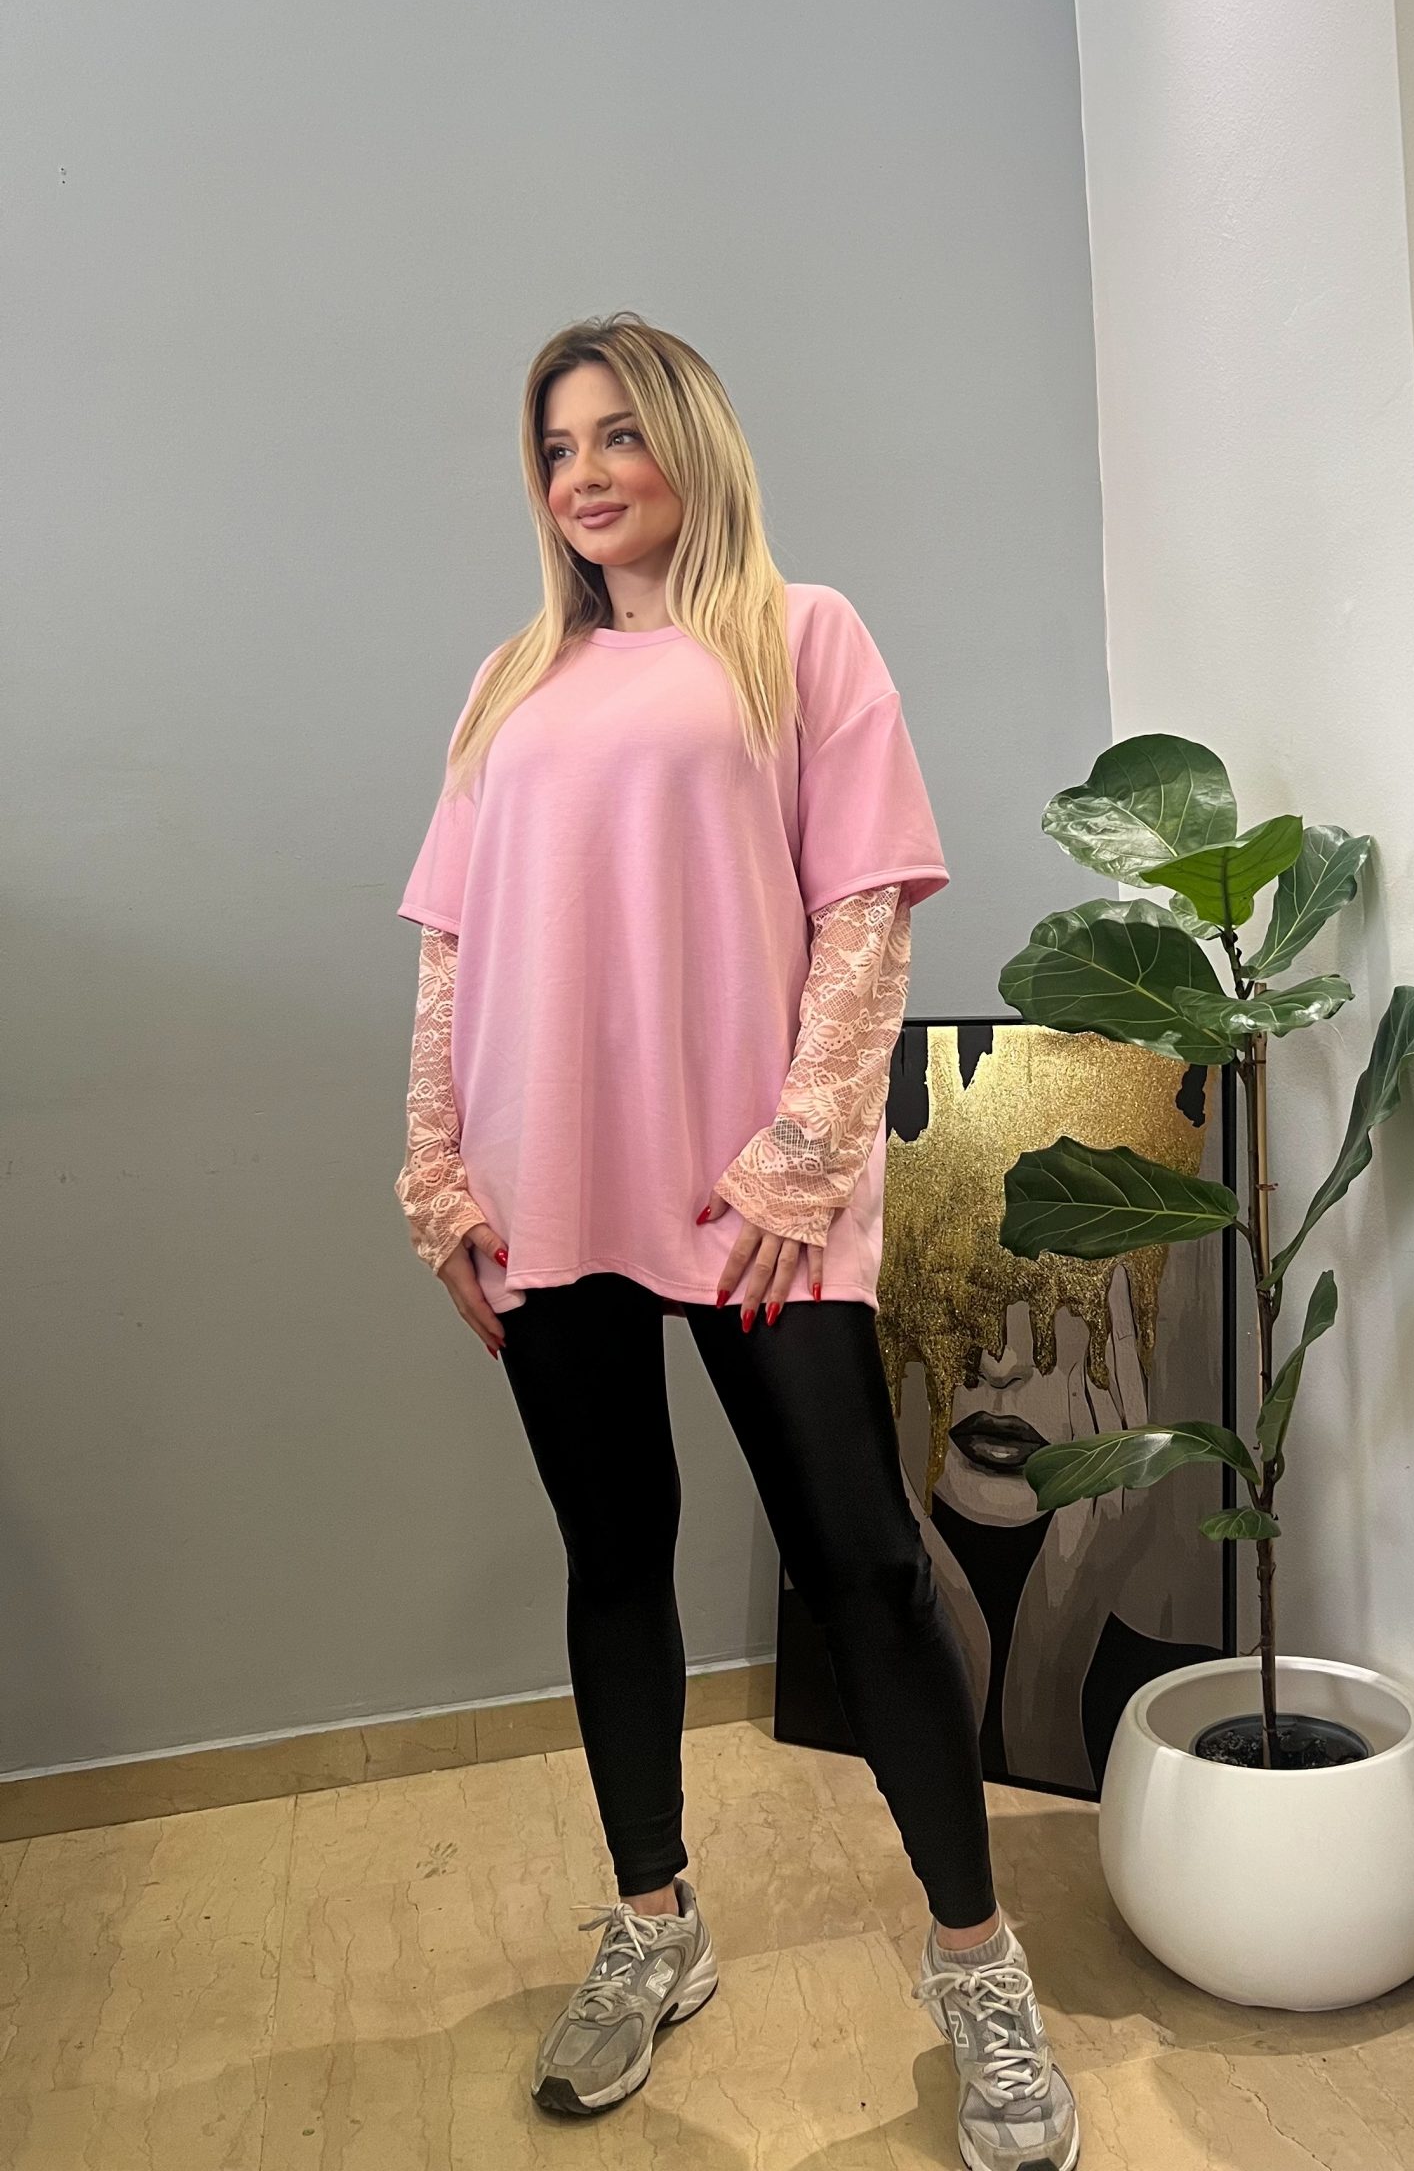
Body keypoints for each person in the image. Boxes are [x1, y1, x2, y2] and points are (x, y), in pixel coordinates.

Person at [391, 313, 1079, 2171]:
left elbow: (864, 914)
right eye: (557, 448)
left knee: (863, 1567)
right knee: (613, 1556)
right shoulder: (509, 684)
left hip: (752, 1195)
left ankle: (979, 1972)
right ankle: (655, 1925)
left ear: (691, 442)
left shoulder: (801, 635)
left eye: (619, 434)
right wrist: (436, 1170)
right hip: (545, 1185)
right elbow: (451, 950)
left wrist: (798, 1161)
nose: (586, 474)